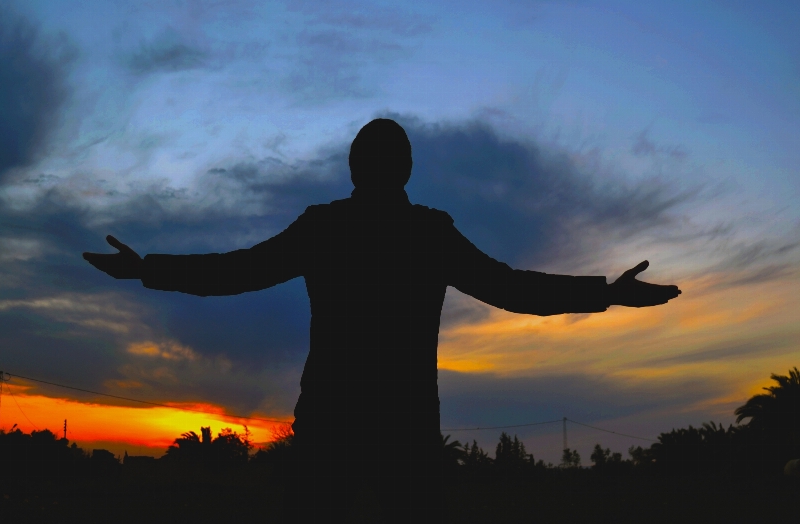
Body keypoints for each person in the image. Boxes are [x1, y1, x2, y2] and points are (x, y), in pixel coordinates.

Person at [84, 118, 681, 522]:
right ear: (406, 169)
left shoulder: (336, 228)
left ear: (356, 168)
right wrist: (607, 293)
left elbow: (238, 271)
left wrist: (147, 270)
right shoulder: (424, 233)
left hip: (341, 426)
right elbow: (512, 288)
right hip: (398, 428)